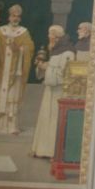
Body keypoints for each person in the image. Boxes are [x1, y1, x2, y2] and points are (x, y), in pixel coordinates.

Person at [0, 4, 34, 134]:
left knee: (11, 98)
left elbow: (30, 49)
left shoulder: (24, 32)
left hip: (15, 72)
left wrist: (19, 49)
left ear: (20, 18)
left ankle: (11, 126)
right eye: (13, 16)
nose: (15, 18)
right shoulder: (0, 30)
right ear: (9, 17)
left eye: (18, 16)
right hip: (0, 69)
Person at [31, 25, 75, 158]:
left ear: (56, 37)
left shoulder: (68, 52)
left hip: (59, 91)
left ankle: (52, 152)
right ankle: (42, 150)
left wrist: (47, 67)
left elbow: (65, 73)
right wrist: (42, 66)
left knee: (55, 120)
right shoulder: (55, 51)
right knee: (46, 118)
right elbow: (52, 67)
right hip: (50, 90)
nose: (48, 37)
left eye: (50, 35)